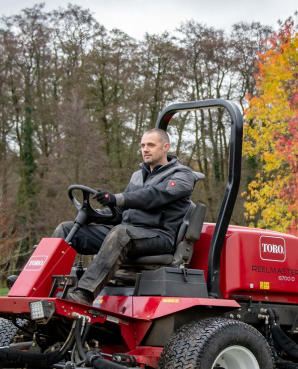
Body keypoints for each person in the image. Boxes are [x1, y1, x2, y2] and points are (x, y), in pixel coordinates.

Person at [52, 128, 204, 305]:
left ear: (165, 147)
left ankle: (84, 294)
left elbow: (154, 196)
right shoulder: (137, 176)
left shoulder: (183, 175)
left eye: (151, 145)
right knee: (67, 228)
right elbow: (121, 214)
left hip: (159, 237)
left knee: (120, 233)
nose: (145, 149)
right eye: (143, 145)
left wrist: (117, 198)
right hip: (127, 234)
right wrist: (95, 214)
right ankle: (44, 286)